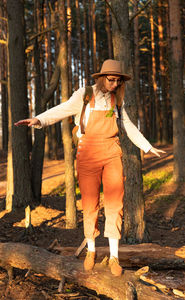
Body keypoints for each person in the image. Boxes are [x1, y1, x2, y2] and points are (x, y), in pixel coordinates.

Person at [15, 59, 165, 276]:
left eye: (118, 81)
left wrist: (147, 146)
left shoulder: (116, 99)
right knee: (89, 203)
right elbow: (63, 109)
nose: (114, 84)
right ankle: (91, 250)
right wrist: (38, 120)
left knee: (115, 203)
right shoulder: (84, 95)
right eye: (111, 80)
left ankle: (114, 257)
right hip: (87, 153)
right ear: (102, 78)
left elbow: (127, 124)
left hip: (112, 151)